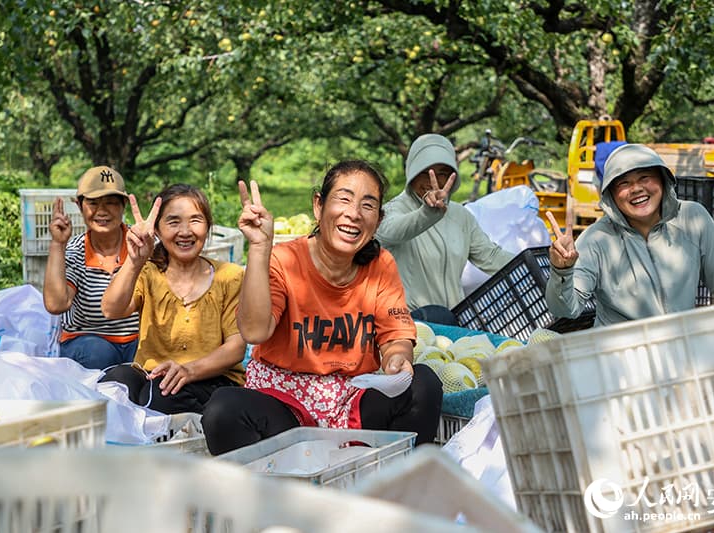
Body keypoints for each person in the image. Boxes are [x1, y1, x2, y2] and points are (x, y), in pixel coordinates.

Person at [202, 160, 443, 456]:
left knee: (424, 382)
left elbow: (396, 338)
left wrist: (396, 360)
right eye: (343, 199)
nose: (353, 214)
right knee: (222, 409)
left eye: (367, 206)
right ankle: (277, 494)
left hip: (352, 401)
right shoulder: (283, 260)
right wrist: (259, 248)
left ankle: (394, 489)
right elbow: (253, 330)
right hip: (285, 407)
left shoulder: (381, 265)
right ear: (319, 205)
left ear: (378, 221)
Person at [545, 143, 714, 326]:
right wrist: (562, 272)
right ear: (610, 195)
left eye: (644, 177)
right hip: (620, 357)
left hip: (681, 349)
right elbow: (566, 310)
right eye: (623, 183)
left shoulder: (692, 218)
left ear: (662, 180)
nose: (636, 189)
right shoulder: (596, 239)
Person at [100, 184, 246, 415]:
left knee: (162, 397)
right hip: (152, 376)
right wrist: (135, 261)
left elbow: (236, 348)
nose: (185, 231)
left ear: (208, 227)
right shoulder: (147, 272)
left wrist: (189, 370)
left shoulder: (229, 276)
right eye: (174, 222)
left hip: (211, 379)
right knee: (113, 384)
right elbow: (111, 309)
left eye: (195, 220)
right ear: (156, 230)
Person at [375, 133, 514, 324]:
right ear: (412, 172)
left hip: (453, 324)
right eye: (425, 172)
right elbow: (390, 232)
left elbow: (490, 257)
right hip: (411, 324)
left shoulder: (461, 216)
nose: (434, 181)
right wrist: (427, 213)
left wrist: (550, 266)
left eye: (442, 173)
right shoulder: (394, 209)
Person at [42, 166, 139, 369]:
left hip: (135, 340)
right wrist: (58, 244)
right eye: (93, 203)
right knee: (99, 353)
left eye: (111, 203)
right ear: (80, 206)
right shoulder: (76, 250)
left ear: (123, 205)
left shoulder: (140, 246)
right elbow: (56, 304)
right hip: (87, 341)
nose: (102, 211)